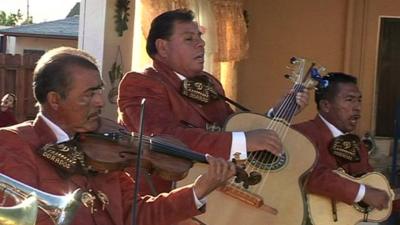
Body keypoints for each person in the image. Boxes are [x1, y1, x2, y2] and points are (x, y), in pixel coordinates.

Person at [0, 47, 237, 225]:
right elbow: (25, 218)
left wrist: (198, 191)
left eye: (99, 91)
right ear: (55, 100)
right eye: (88, 94)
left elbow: (137, 213)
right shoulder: (15, 143)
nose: (100, 102)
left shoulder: (106, 145)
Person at [118, 8, 309, 195]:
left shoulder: (209, 83)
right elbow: (164, 140)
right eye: (189, 38)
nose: (201, 43)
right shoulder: (141, 82)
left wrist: (277, 114)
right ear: (163, 47)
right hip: (163, 199)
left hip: (216, 195)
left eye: (199, 37)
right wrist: (243, 141)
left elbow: (231, 128)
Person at [293, 72, 399, 223]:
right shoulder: (301, 133)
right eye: (349, 100)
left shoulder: (357, 145)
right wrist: (362, 193)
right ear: (326, 105)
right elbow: (307, 175)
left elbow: (371, 190)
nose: (357, 107)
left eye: (359, 100)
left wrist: (381, 196)